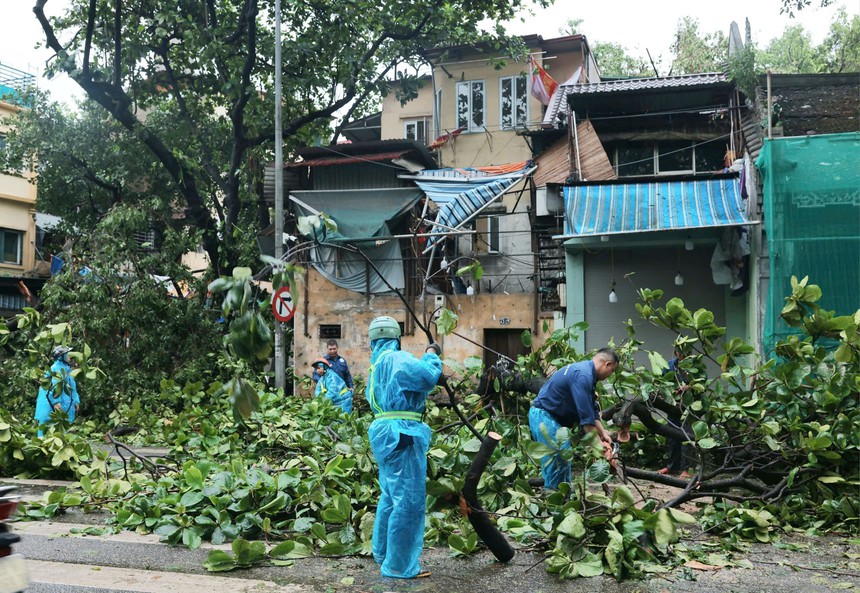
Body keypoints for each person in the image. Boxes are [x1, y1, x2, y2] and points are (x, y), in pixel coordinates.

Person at [365, 316, 442, 579]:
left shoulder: (376, 365)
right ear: (397, 338)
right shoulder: (397, 359)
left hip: (384, 433)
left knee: (389, 495)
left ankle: (382, 552)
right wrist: (431, 353)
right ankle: (399, 565)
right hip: (402, 433)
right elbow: (428, 377)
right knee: (408, 501)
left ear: (372, 341)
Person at [529, 348, 619, 489]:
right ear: (607, 364)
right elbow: (586, 420)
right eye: (612, 371)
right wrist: (599, 445)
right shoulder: (583, 376)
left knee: (564, 460)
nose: (610, 375)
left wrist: (603, 434)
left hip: (552, 419)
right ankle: (553, 498)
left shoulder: (587, 374)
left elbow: (592, 410)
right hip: (544, 416)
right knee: (558, 459)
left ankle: (564, 498)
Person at [658, 346, 692, 478]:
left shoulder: (694, 366)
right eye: (680, 352)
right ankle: (672, 467)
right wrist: (663, 393)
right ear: (676, 352)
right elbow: (662, 383)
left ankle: (686, 469)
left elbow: (702, 383)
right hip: (673, 406)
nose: (683, 355)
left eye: (686, 352)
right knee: (672, 435)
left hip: (689, 406)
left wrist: (688, 387)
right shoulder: (669, 365)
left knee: (687, 437)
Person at [34, 345, 80, 437]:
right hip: (50, 402)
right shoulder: (55, 368)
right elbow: (54, 386)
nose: (70, 356)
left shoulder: (67, 369)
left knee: (61, 426)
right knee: (46, 425)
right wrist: (56, 401)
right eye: (67, 354)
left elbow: (72, 386)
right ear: (61, 356)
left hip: (64, 401)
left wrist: (76, 401)